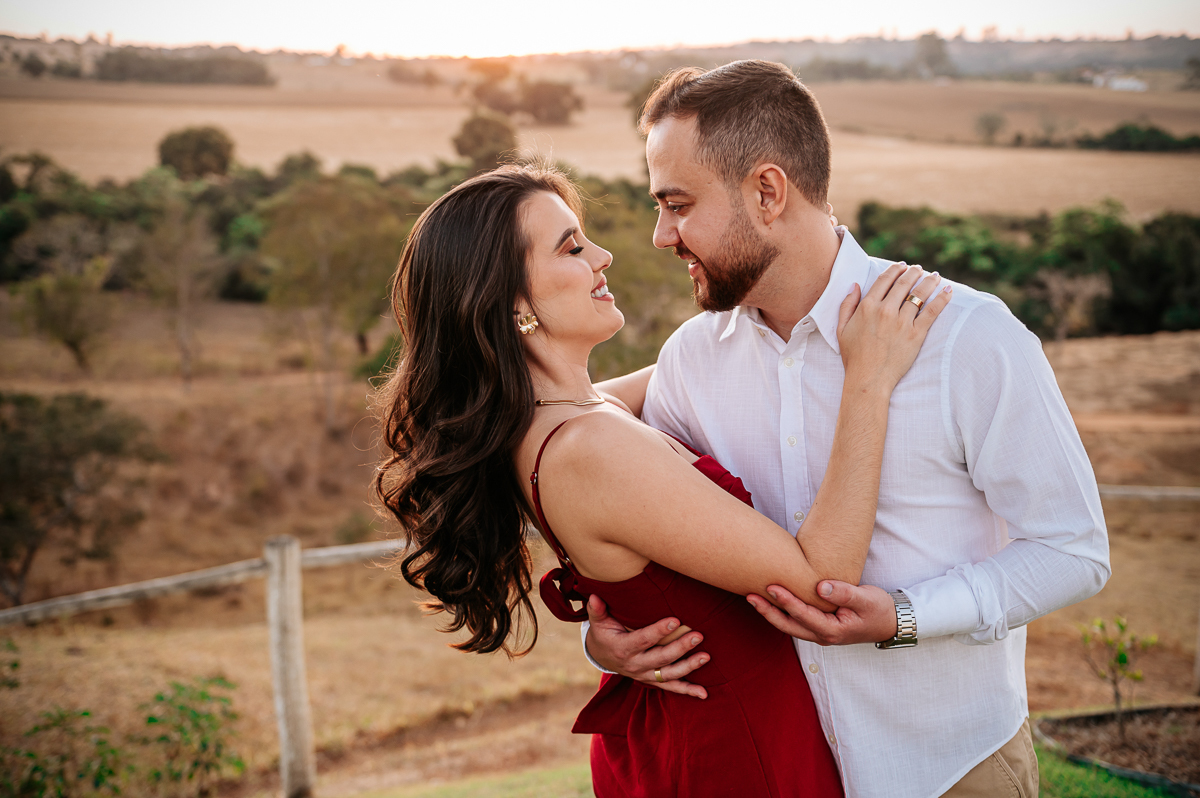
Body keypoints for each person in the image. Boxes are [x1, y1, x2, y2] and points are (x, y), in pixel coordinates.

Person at [581, 60, 1111, 798]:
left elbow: (1073, 549)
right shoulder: (690, 362)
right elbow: (664, 546)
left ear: (768, 192)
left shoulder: (969, 338)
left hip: (955, 768)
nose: (660, 235)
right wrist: (605, 643)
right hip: (785, 773)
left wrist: (906, 617)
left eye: (678, 205)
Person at [373, 163, 952, 797]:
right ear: (511, 302)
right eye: (571, 248)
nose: (603, 256)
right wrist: (870, 376)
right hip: (737, 751)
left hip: (689, 730)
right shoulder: (590, 449)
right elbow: (822, 582)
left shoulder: (550, 419)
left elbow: (717, 358)